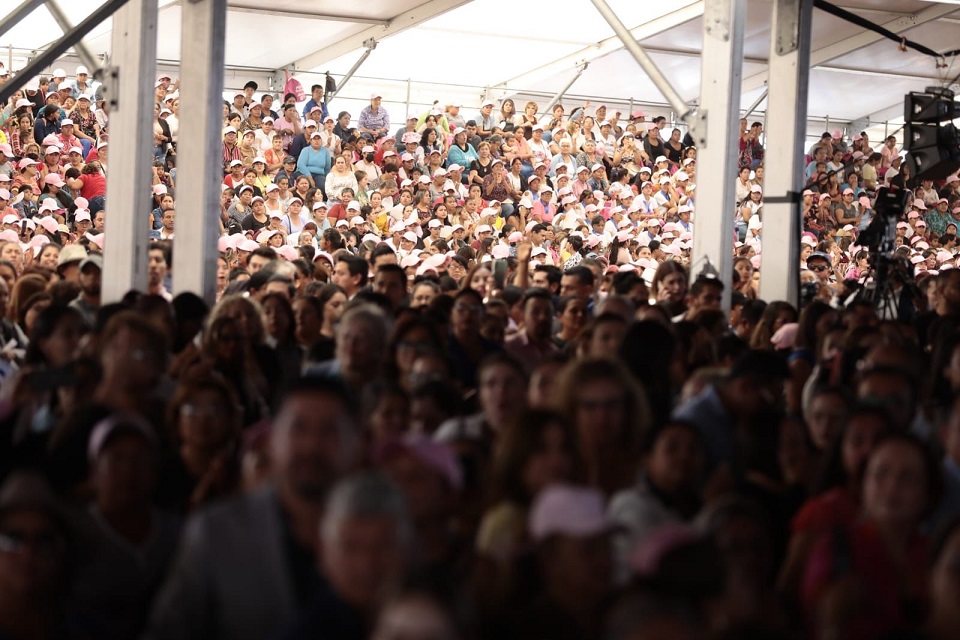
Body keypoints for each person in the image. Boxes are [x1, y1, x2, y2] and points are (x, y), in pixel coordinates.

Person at [146, 376, 362, 640]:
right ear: (273, 441)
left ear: (356, 442)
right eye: (298, 429)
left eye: (329, 430)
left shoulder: (386, 530)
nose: (312, 445)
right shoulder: (216, 532)